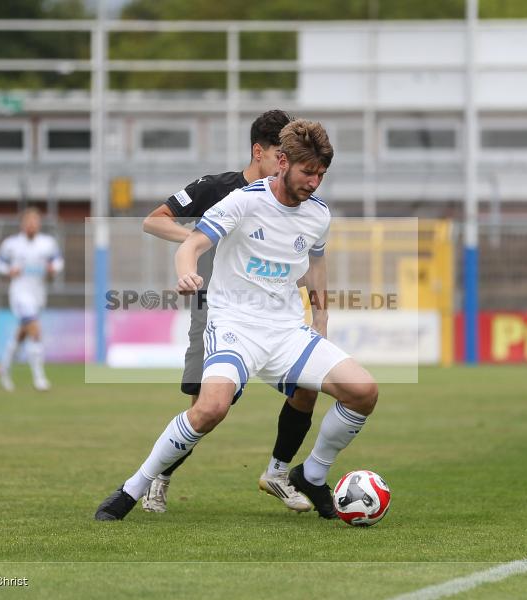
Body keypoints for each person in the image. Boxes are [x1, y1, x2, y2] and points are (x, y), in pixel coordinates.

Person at [96, 120, 378, 521]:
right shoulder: (242, 201)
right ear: (282, 162)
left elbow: (316, 264)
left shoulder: (318, 215)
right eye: (307, 173)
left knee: (364, 391)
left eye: (321, 175)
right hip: (234, 327)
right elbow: (192, 243)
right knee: (210, 409)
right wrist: (186, 270)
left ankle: (311, 474)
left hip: (286, 332)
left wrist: (321, 315)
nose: (315, 183)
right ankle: (133, 488)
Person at [140, 109, 320, 514]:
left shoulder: (297, 201)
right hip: (217, 311)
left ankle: (278, 473)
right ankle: (159, 477)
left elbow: (306, 258)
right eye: (281, 153)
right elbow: (154, 222)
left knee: (307, 387)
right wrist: (207, 234)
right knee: (205, 408)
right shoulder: (218, 189)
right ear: (260, 152)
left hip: (276, 317)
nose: (288, 163)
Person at [0, 207, 64, 392]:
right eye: (28, 221)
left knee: (22, 334)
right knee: (35, 331)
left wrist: (52, 269)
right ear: (22, 224)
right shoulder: (12, 244)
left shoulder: (47, 243)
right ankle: (39, 378)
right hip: (19, 293)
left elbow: (58, 262)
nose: (32, 224)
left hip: (38, 294)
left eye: (35, 221)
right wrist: (9, 271)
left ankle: (3, 369)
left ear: (39, 224)